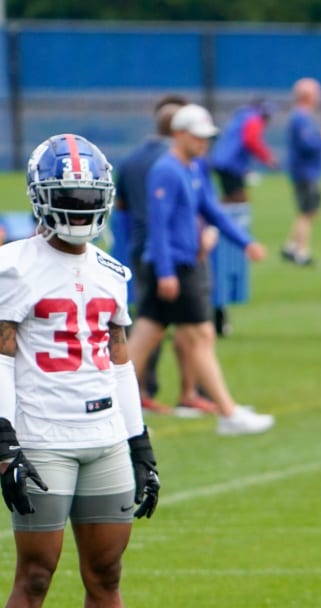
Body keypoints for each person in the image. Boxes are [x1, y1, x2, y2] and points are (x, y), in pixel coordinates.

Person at [0, 134, 176, 608]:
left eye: (86, 200)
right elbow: (0, 356)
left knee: (107, 574)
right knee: (36, 575)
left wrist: (140, 443)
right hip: (42, 437)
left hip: (103, 439)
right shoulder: (13, 265)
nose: (77, 212)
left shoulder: (110, 270)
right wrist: (4, 440)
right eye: (66, 200)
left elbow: (121, 363)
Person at [127, 104, 274, 437]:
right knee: (201, 335)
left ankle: (101, 402)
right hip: (175, 266)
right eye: (198, 137)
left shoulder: (193, 168)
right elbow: (159, 227)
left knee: (144, 336)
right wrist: (165, 272)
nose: (204, 143)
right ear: (179, 134)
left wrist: (244, 241)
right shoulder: (166, 170)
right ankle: (227, 411)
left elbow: (213, 210)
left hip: (180, 263)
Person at [113, 93, 206, 417]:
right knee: (183, 324)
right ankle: (191, 392)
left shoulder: (130, 159)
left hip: (138, 249)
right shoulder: (175, 163)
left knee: (147, 320)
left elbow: (120, 206)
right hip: (171, 253)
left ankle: (140, 390)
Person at [282, 78, 321, 267]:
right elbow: (307, 145)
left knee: (310, 211)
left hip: (308, 171)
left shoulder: (302, 116)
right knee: (306, 212)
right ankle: (302, 252)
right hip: (305, 172)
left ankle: (290, 246)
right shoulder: (301, 118)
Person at [208, 99, 278, 204]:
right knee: (238, 199)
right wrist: (268, 158)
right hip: (230, 164)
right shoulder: (254, 119)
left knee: (232, 198)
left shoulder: (243, 116)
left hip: (224, 161)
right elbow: (251, 140)